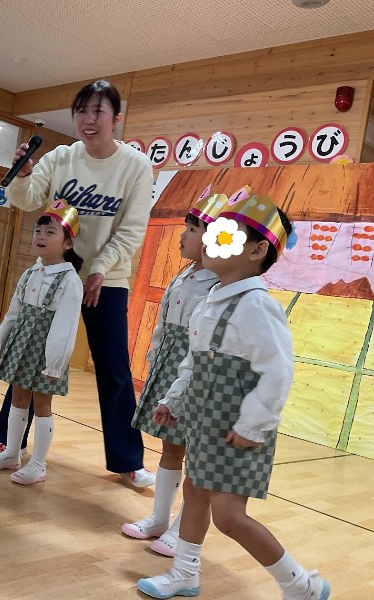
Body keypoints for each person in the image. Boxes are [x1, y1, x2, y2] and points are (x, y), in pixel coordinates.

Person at [138, 190, 330, 600]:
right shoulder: (212, 299)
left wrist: (252, 426)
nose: (211, 240)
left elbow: (277, 371)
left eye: (224, 236)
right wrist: (174, 400)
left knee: (229, 516)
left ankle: (300, 584)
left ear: (258, 250)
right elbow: (192, 361)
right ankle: (185, 573)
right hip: (205, 423)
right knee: (195, 494)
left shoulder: (257, 305)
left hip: (238, 431)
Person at [0, 79, 156, 487]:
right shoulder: (60, 157)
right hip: (54, 272)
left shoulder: (136, 166)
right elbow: (27, 200)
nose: (88, 120)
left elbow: (132, 230)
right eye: (81, 111)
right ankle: (8, 440)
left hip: (106, 280)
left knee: (113, 368)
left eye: (98, 111)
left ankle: (128, 459)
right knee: (29, 354)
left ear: (116, 118)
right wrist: (24, 174)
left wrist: (100, 267)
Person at [121, 186, 222, 555]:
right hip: (171, 368)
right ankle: (160, 518)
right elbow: (164, 323)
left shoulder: (219, 286)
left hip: (197, 373)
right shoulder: (185, 275)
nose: (183, 235)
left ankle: (183, 527)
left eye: (193, 229)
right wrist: (154, 353)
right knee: (170, 444)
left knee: (194, 451)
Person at [0, 200, 84, 485]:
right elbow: (14, 312)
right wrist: (0, 342)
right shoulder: (31, 273)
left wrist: (55, 364)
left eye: (50, 232)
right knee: (18, 398)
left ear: (67, 243)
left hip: (46, 352)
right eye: (38, 230)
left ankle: (38, 464)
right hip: (22, 344)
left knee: (41, 404)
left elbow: (65, 327)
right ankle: (11, 453)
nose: (41, 236)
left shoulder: (70, 280)